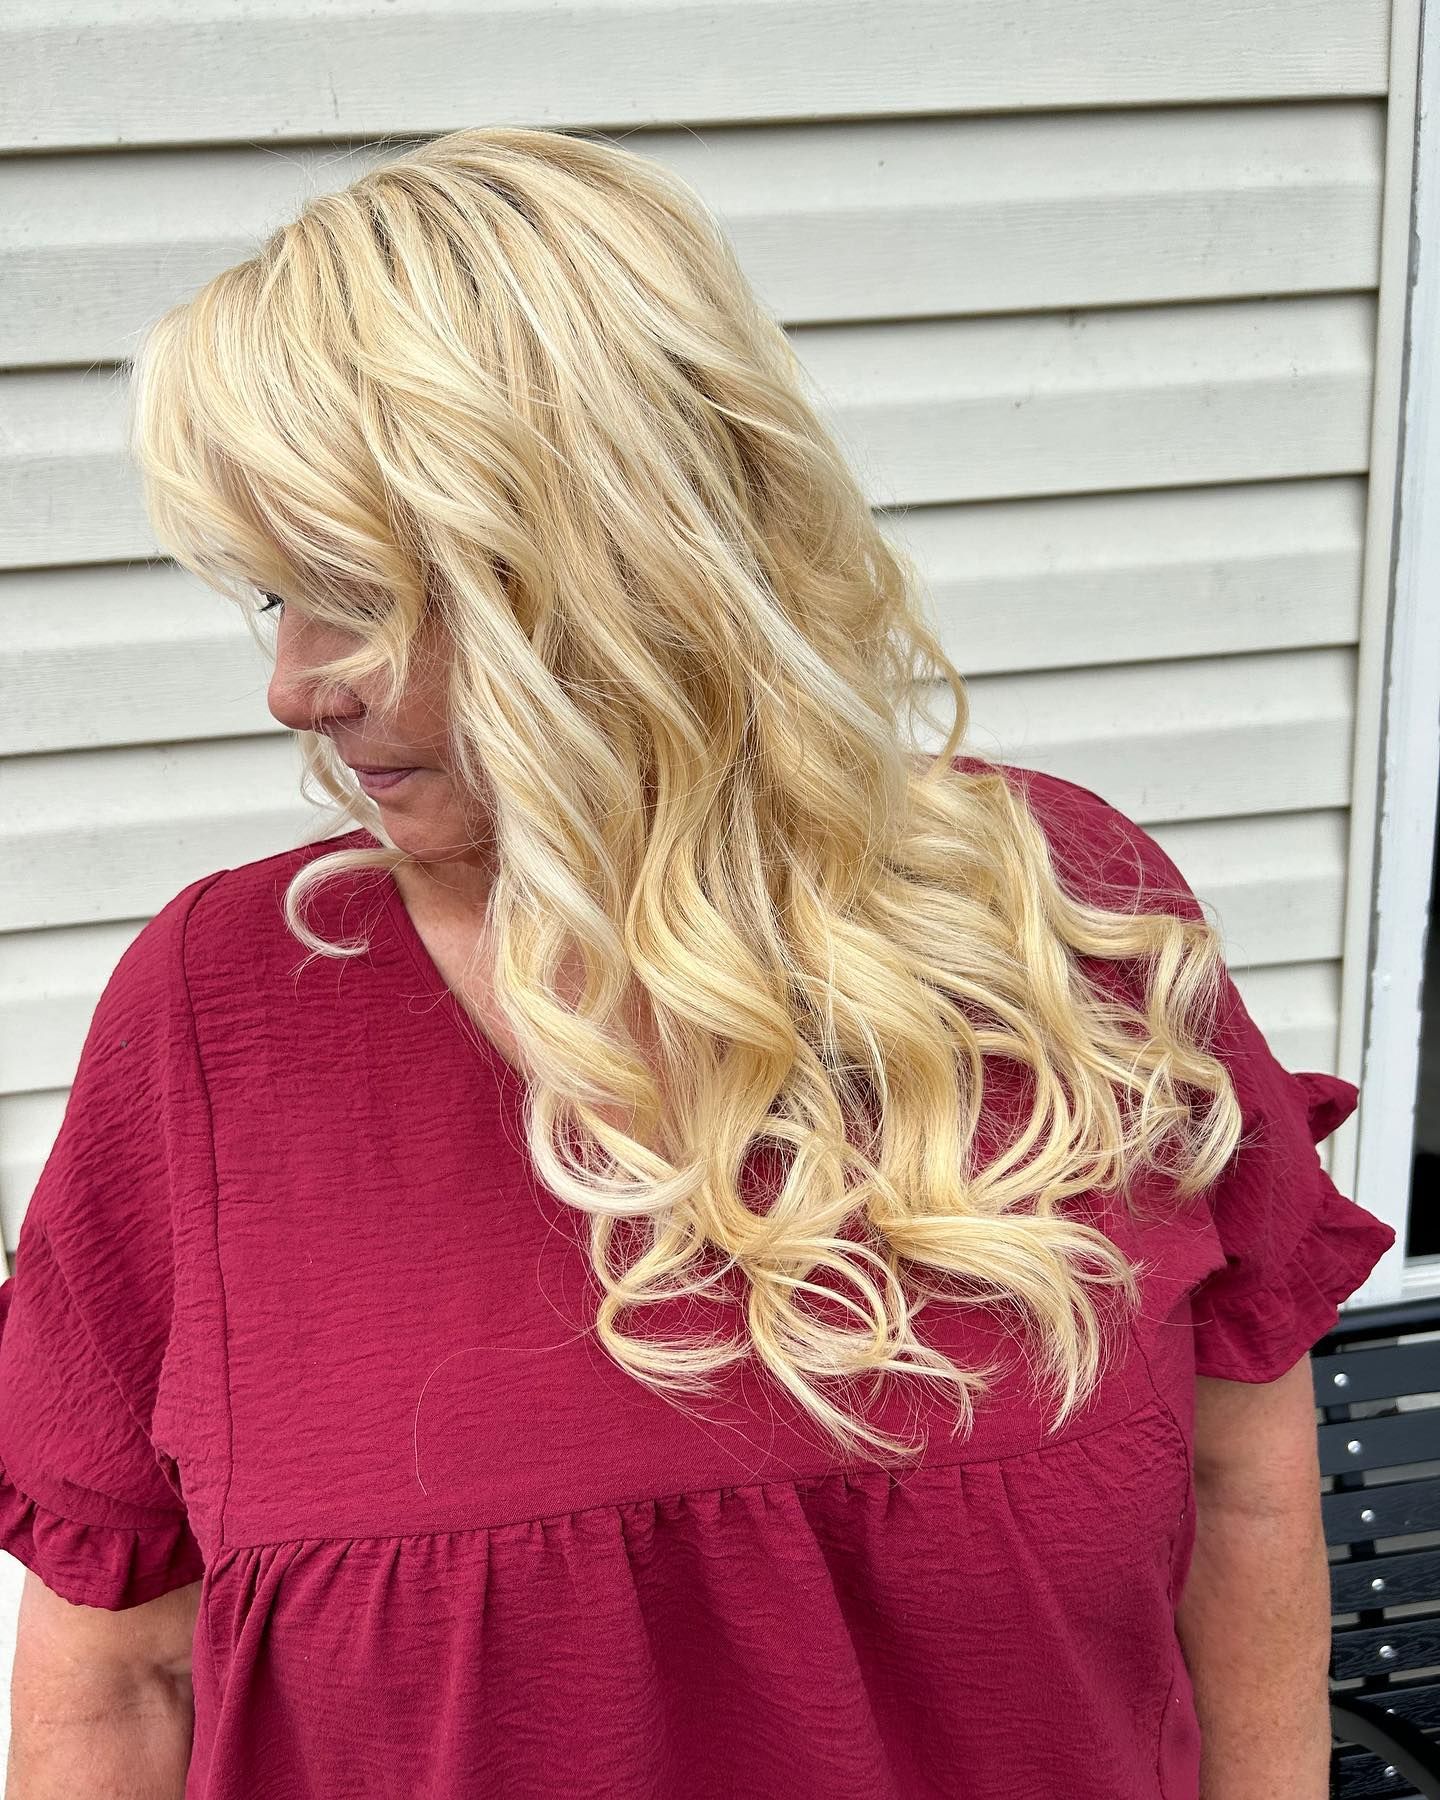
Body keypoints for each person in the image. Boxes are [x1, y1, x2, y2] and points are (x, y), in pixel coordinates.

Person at [1, 125, 1392, 1800]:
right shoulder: (221, 1023)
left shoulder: (1057, 924)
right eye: (270, 598)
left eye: (359, 589)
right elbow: (125, 1661)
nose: (296, 684)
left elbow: (1242, 1494)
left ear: (625, 552)